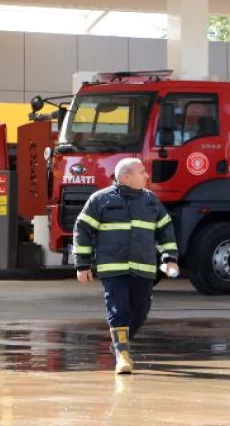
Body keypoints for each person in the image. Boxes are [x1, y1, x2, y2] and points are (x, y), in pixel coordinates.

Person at [73, 158, 179, 374]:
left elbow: (165, 231)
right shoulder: (100, 200)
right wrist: (82, 264)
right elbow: (82, 230)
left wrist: (169, 259)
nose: (147, 176)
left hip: (143, 267)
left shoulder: (151, 201)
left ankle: (119, 343)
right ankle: (123, 356)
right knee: (118, 309)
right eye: (142, 172)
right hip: (113, 267)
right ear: (126, 177)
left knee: (139, 311)